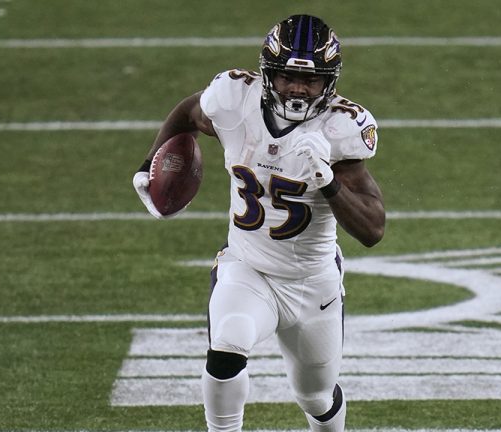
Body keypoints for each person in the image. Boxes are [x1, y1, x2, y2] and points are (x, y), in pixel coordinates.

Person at [133, 14, 385, 432]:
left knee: (316, 396)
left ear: (330, 82)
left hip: (312, 282)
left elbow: (373, 230)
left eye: (312, 80)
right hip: (249, 266)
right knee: (227, 345)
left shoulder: (340, 131)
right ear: (269, 72)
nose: (299, 89)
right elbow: (189, 113)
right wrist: (150, 166)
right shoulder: (236, 99)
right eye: (288, 76)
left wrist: (327, 182)